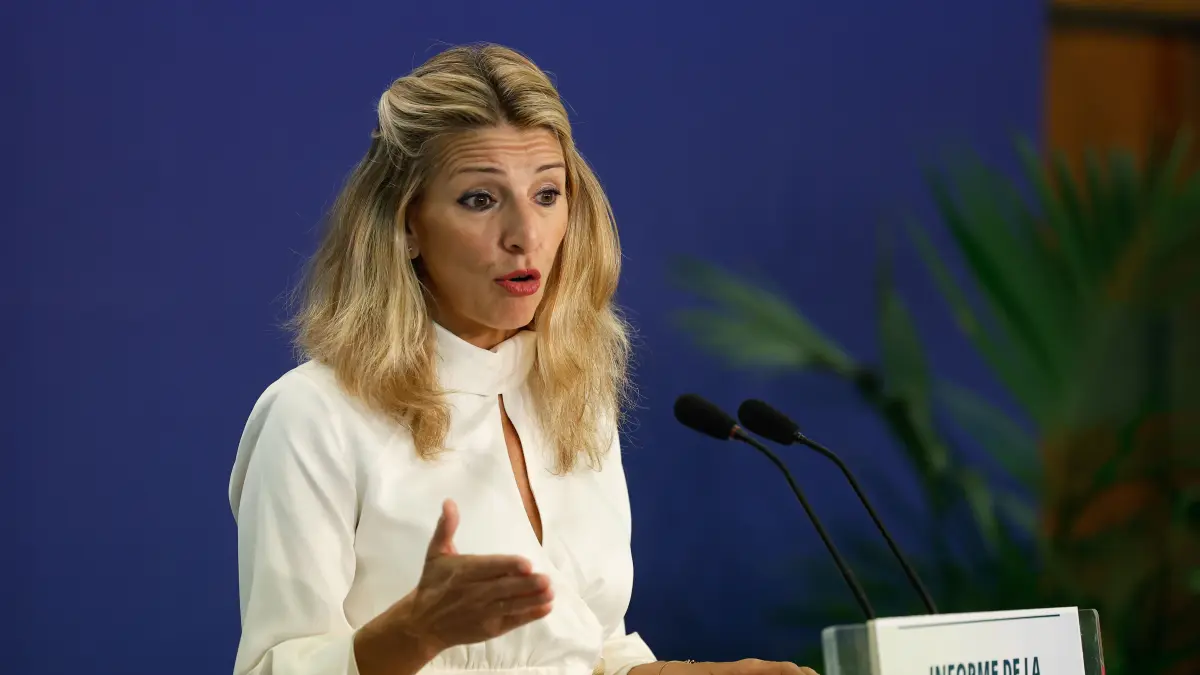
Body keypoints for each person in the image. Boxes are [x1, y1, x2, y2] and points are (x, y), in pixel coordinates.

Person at [229, 43, 819, 675]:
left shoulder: (574, 397)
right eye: (480, 199)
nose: (526, 236)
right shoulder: (313, 415)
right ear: (406, 226)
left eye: (546, 194)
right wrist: (414, 632)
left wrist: (699, 674)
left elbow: (590, 650)